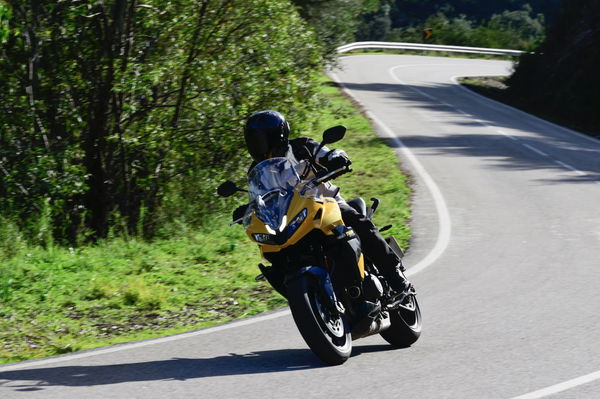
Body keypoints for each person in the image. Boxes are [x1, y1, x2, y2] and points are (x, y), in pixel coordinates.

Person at [243, 110, 411, 294]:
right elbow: (258, 196)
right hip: (291, 216)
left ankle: (394, 273)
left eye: (260, 139)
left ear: (278, 135)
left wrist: (337, 158)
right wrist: (247, 209)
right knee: (276, 254)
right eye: (253, 140)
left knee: (357, 221)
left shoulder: (302, 147)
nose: (257, 145)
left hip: (325, 203)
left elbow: (327, 153)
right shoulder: (257, 170)